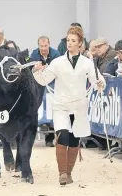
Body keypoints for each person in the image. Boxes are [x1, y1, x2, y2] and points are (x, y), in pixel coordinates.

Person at [32, 26, 106, 185]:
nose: (69, 43)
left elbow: (97, 80)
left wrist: (100, 84)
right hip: (61, 106)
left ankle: (69, 173)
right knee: (63, 135)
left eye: (73, 41)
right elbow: (43, 80)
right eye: (68, 40)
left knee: (74, 140)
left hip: (79, 107)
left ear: (80, 43)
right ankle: (62, 174)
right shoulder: (57, 62)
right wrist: (37, 71)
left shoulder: (87, 63)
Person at [30, 36, 60, 147]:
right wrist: (35, 69)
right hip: (38, 87)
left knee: (52, 112)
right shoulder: (33, 55)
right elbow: (29, 70)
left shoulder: (56, 54)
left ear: (49, 44)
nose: (43, 48)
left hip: (53, 87)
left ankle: (49, 139)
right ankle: (30, 137)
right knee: (37, 111)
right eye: (41, 46)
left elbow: (59, 69)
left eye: (45, 46)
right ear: (38, 46)